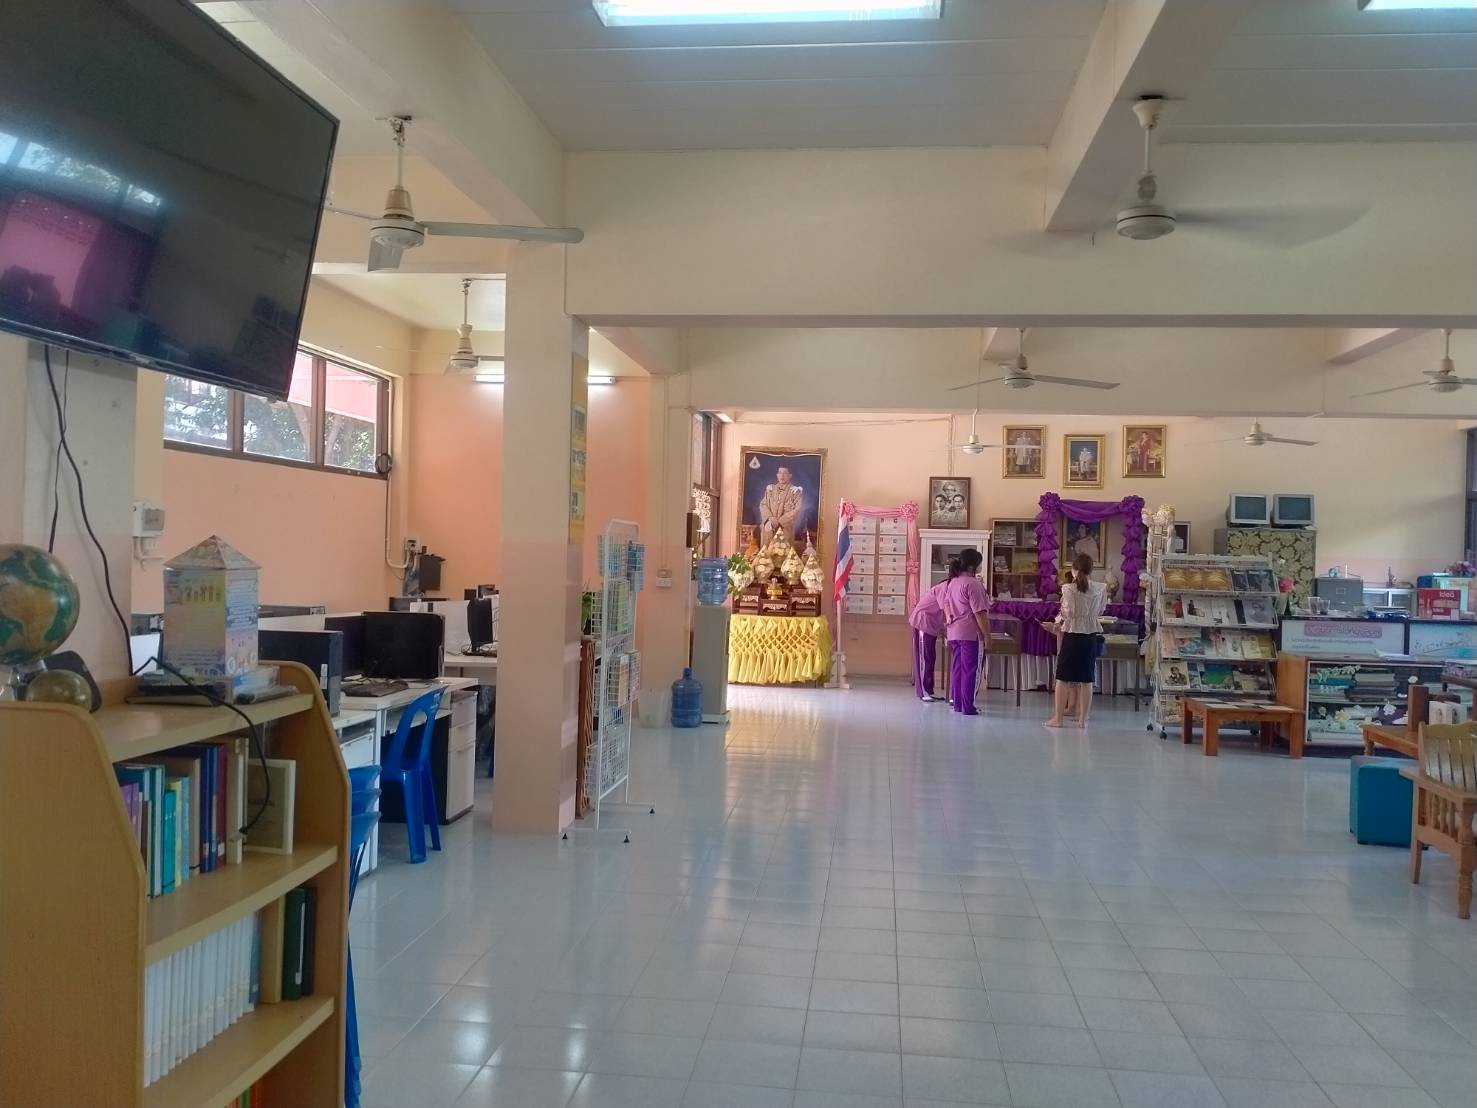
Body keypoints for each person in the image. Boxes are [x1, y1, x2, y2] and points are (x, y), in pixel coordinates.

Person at [1045, 551, 1108, 728]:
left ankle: (1058, 719)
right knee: (1087, 679)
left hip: (1072, 635)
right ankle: (1083, 720)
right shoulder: (1101, 588)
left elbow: (1067, 612)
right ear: (1091, 570)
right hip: (1090, 635)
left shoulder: (1068, 589)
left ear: (1074, 569)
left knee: (1063, 678)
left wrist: (1056, 625)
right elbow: (1101, 610)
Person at [942, 548, 991, 715]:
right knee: (970, 670)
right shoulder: (973, 584)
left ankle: (957, 704)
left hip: (953, 632)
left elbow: (946, 605)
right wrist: (987, 636)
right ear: (972, 566)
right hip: (970, 633)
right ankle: (968, 706)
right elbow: (980, 613)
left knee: (957, 669)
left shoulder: (953, 582)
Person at [908, 580, 949, 702]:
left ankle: (929, 690)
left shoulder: (948, 588)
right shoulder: (943, 588)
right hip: (922, 623)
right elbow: (945, 609)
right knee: (924, 658)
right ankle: (924, 691)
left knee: (930, 658)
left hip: (931, 626)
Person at [759, 465, 803, 544]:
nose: (782, 476)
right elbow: (763, 504)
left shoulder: (795, 491)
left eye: (785, 473)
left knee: (782, 549)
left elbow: (797, 510)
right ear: (777, 475)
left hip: (785, 529)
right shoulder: (770, 489)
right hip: (770, 526)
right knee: (766, 549)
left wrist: (780, 522)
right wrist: (770, 518)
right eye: (779, 473)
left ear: (790, 475)